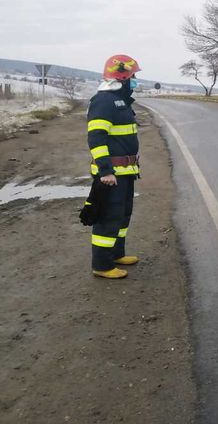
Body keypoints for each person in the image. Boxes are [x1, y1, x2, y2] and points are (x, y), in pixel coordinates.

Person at [87, 54, 142, 279]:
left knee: (122, 215)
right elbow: (96, 138)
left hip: (126, 172)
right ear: (122, 76)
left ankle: (117, 254)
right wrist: (105, 171)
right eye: (133, 76)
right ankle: (101, 265)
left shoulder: (121, 101)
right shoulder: (104, 101)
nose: (135, 79)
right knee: (108, 218)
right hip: (112, 175)